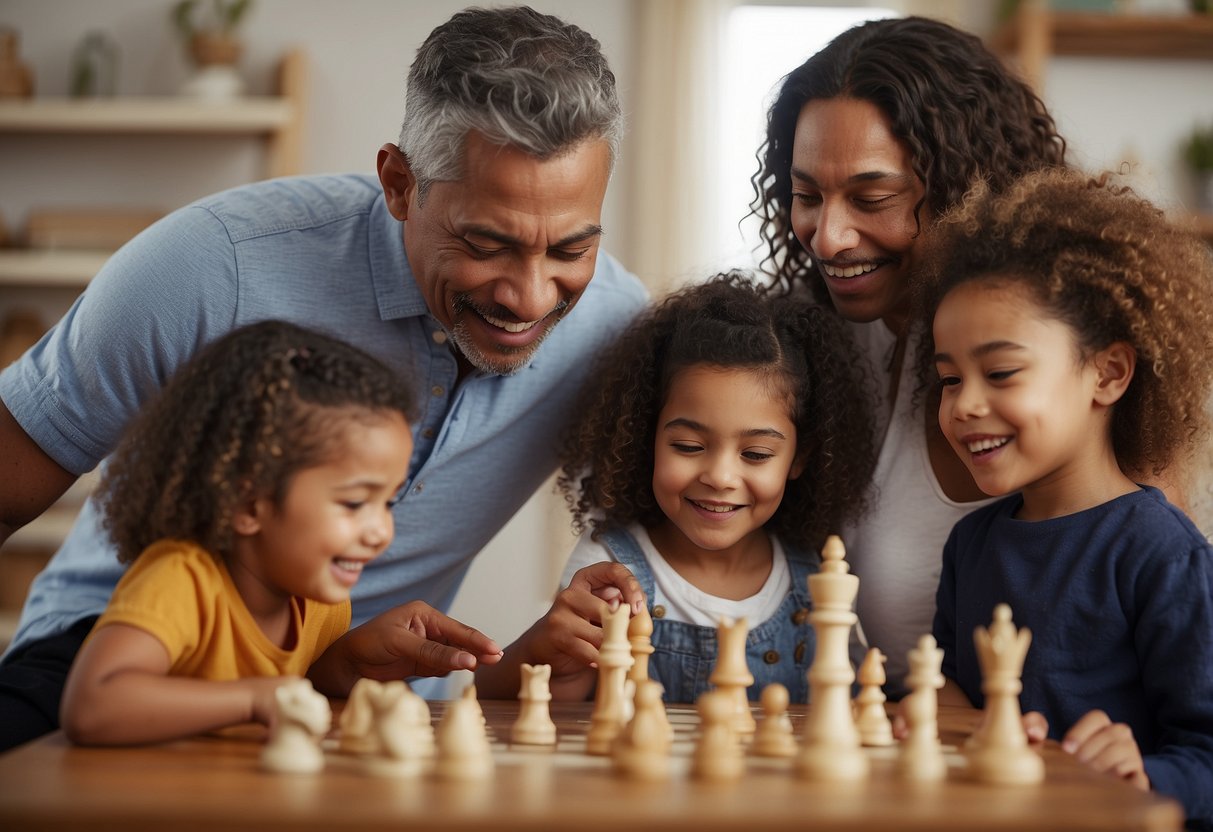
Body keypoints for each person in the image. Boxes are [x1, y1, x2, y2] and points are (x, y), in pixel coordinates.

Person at [0, 5, 648, 751]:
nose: (530, 298)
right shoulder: (212, 268)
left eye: (570, 251)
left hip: (337, 695)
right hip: (111, 671)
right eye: (485, 243)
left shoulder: (614, 333)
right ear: (400, 183)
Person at [748, 15, 1070, 693]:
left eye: (871, 198)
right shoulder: (810, 341)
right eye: (805, 196)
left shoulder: (1054, 366)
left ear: (963, 189)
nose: (827, 237)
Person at [919, 169, 1213, 826]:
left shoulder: (1163, 556)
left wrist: (1145, 771)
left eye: (999, 373)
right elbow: (949, 694)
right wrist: (923, 699)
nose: (963, 404)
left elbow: (1205, 754)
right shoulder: (971, 544)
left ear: (1106, 373)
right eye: (946, 379)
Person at [474, 273, 878, 703]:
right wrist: (547, 652)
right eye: (688, 446)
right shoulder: (610, 569)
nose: (720, 477)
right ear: (647, 437)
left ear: (798, 458)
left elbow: (856, 701)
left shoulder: (818, 577)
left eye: (755, 454)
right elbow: (516, 702)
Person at [60, 321, 416, 745]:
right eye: (355, 503)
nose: (380, 531)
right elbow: (92, 706)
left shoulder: (320, 606)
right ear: (248, 505)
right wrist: (250, 700)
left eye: (389, 502)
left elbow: (298, 691)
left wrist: (348, 665)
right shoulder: (182, 580)